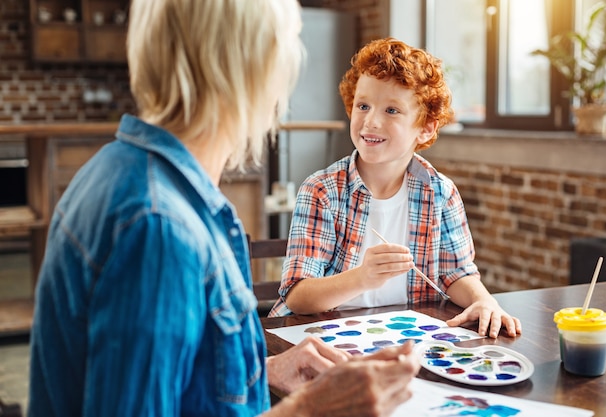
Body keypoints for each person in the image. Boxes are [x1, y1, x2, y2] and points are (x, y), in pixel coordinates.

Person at [27, 2, 420, 416]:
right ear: (248, 68)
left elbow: (173, 377)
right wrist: (308, 410)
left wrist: (260, 371)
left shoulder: (121, 169)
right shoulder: (159, 229)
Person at [269, 38, 522, 340]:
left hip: (402, 340)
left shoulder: (440, 193)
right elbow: (297, 296)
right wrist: (362, 278)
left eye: (391, 110)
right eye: (363, 105)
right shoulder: (322, 190)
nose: (371, 121)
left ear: (426, 127)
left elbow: (455, 274)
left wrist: (484, 300)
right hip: (322, 341)